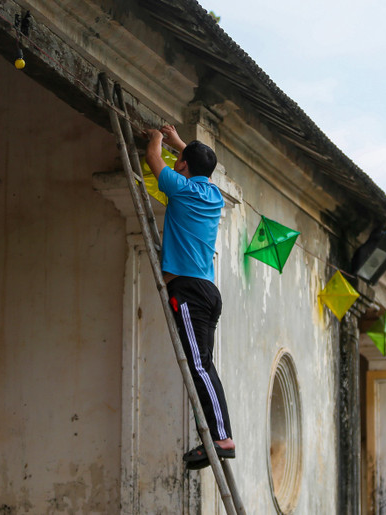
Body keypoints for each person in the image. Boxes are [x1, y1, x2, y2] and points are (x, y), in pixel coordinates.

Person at [144, 125, 235, 470]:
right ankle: (218, 434)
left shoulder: (181, 190)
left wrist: (156, 138)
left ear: (182, 166)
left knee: (198, 365)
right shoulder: (212, 194)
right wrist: (180, 144)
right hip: (206, 291)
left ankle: (222, 437)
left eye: (179, 158)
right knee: (204, 364)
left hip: (188, 292)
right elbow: (200, 164)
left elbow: (153, 158)